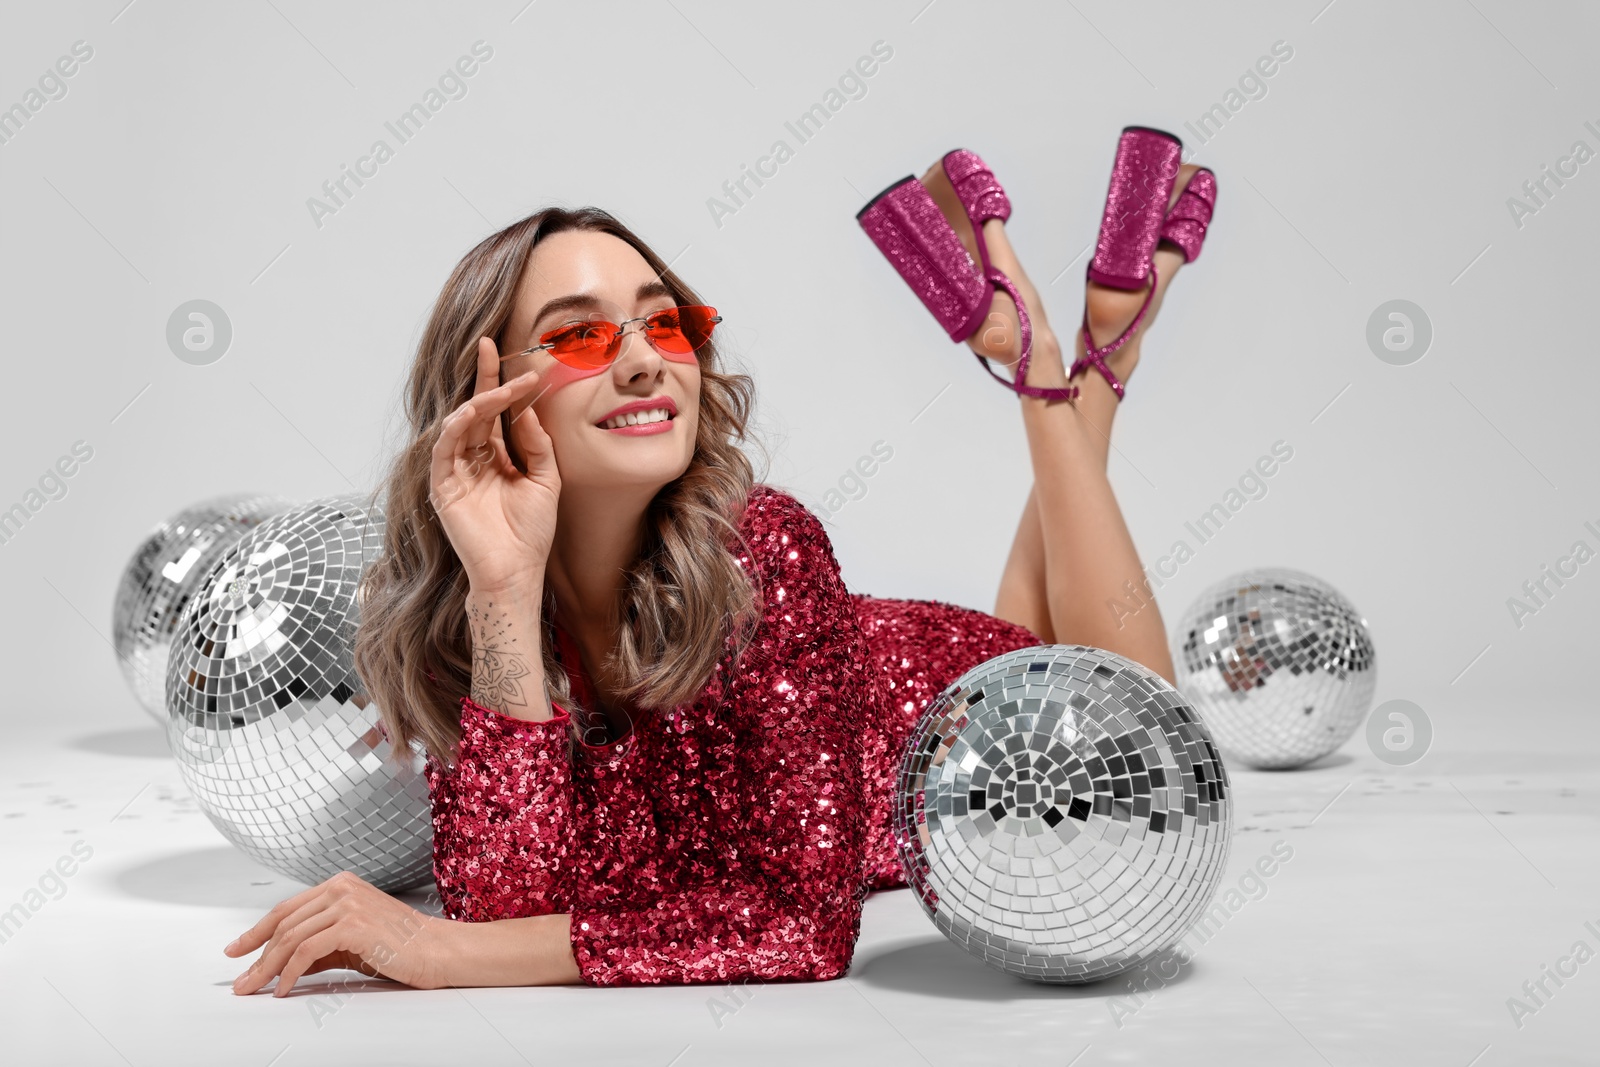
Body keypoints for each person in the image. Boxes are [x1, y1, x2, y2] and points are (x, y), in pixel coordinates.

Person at [223, 126, 1215, 995]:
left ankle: (1045, 362)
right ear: (485, 397)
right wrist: (502, 580)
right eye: (576, 335)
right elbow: (507, 897)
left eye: (662, 320)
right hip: (968, 680)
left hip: (1007, 728)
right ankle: (1099, 351)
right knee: (1042, 617)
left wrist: (434, 952)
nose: (648, 357)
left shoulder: (767, 547)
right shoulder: (481, 611)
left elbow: (803, 924)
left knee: (1153, 734)